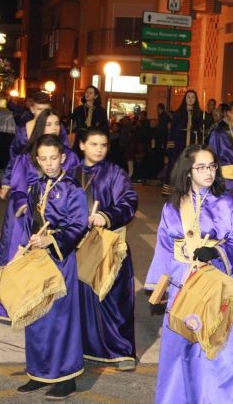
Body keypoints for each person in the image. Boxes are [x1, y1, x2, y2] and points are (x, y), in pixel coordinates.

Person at [145, 144, 233, 403]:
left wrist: (217, 253)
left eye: (212, 166)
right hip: (183, 278)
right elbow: (164, 246)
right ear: (188, 171)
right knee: (180, 340)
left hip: (218, 278)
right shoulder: (172, 207)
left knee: (217, 344)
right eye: (201, 167)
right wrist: (159, 285)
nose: (208, 172)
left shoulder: (229, 204)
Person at [15, 134, 87, 399]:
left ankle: (66, 377)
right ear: (37, 160)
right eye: (43, 159)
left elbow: (79, 225)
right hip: (38, 258)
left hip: (60, 259)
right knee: (36, 314)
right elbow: (29, 224)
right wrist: (28, 245)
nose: (48, 163)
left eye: (53, 158)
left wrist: (52, 239)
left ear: (63, 158)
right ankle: (39, 372)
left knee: (60, 318)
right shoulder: (35, 187)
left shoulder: (73, 189)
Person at [0, 109, 80, 320]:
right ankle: (16, 305)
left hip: (58, 216)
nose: (53, 128)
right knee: (19, 258)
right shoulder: (26, 157)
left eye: (57, 123)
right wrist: (25, 204)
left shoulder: (69, 157)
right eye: (48, 124)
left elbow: (77, 186)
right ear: (40, 126)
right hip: (26, 214)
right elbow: (19, 186)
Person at [72, 128, 138, 370]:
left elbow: (129, 201)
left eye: (103, 145)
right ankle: (83, 347)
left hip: (109, 243)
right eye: (93, 144)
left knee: (113, 299)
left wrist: (106, 215)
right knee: (82, 298)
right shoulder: (70, 172)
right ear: (82, 145)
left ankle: (121, 352)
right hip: (78, 244)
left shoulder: (114, 172)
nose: (99, 149)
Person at [0, 92, 53, 200]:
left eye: (46, 110)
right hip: (25, 177)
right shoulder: (22, 130)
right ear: (32, 109)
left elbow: (66, 156)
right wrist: (6, 183)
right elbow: (14, 157)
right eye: (39, 109)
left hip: (50, 178)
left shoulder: (55, 128)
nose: (43, 114)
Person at [70, 86, 109, 157]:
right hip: (80, 139)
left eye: (90, 93)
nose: (87, 94)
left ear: (96, 96)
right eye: (86, 92)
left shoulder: (101, 111)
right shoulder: (78, 110)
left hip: (95, 140)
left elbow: (104, 128)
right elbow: (73, 126)